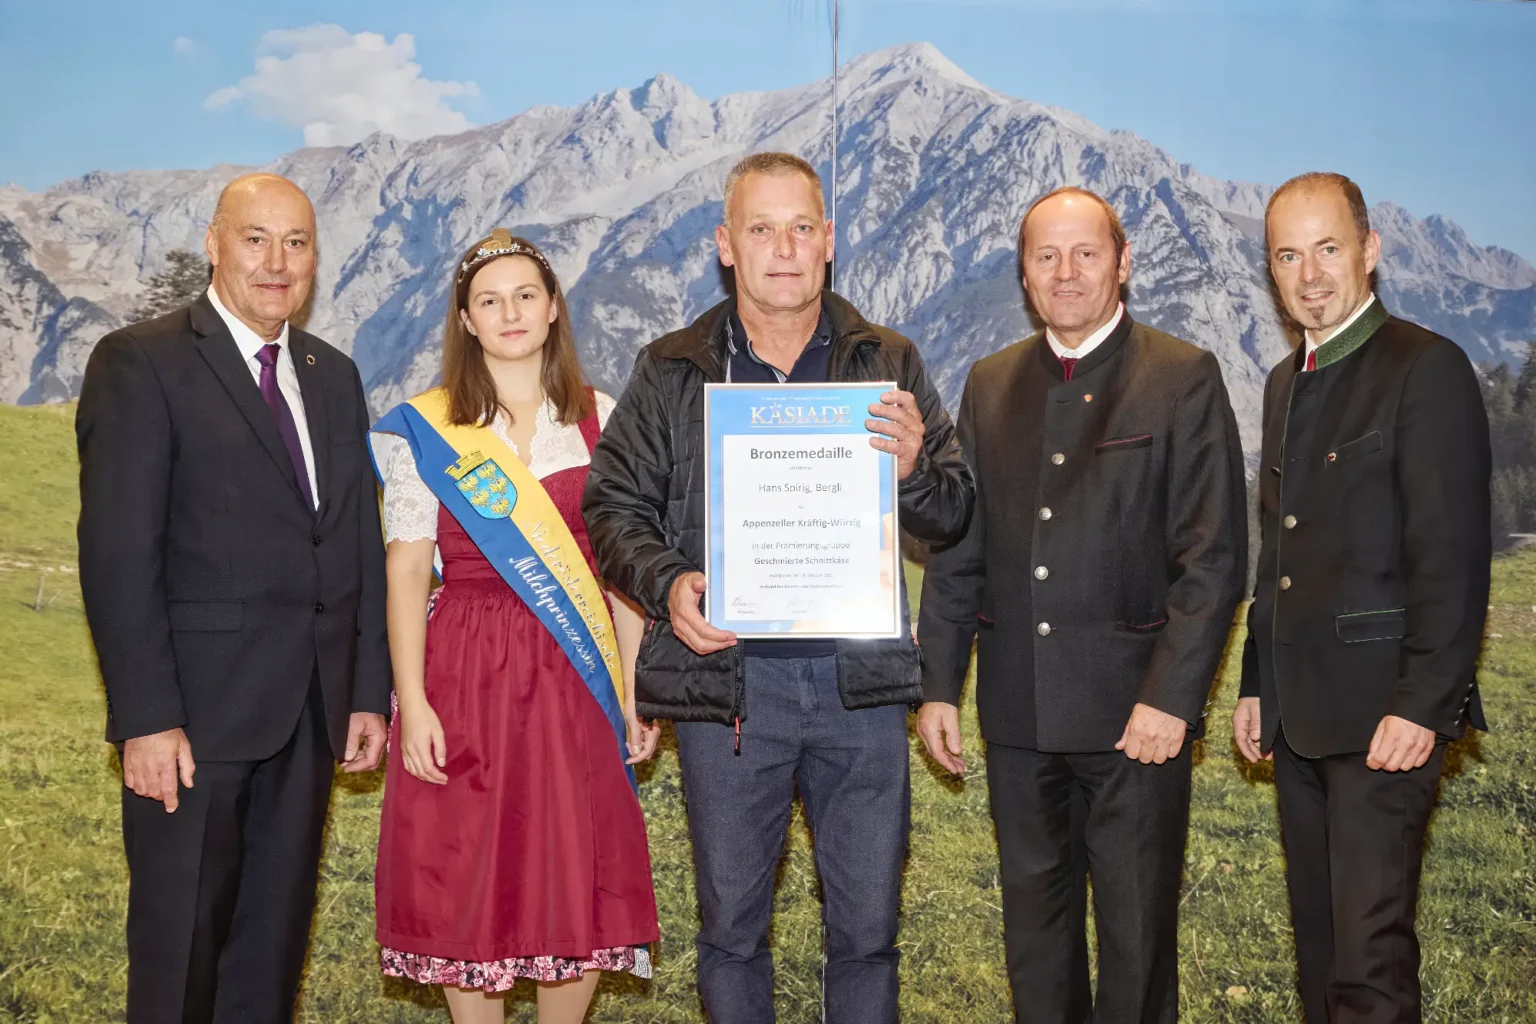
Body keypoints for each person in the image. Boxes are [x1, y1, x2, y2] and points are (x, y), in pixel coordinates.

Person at [582, 152, 974, 1024]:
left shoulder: (888, 360)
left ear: (830, 240)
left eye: (802, 227)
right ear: (727, 246)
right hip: (731, 691)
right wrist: (670, 582)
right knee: (729, 933)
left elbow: (953, 513)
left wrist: (912, 470)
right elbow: (610, 507)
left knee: (868, 933)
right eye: (761, 229)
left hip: (860, 690)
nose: (784, 249)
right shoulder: (672, 369)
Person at [916, 187, 1247, 1023]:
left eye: (1086, 253)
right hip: (1019, 713)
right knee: (1034, 938)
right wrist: (937, 685)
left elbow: (1211, 559)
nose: (1066, 273)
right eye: (1046, 256)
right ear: (1025, 275)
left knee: (1136, 947)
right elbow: (963, 550)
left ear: (1124, 262)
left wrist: (1171, 701)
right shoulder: (990, 384)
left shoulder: (1182, 376)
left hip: (1136, 719)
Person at [76, 172, 392, 1023]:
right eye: (256, 238)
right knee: (180, 956)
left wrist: (367, 693)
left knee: (269, 955)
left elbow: (355, 538)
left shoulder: (334, 375)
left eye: (297, 243)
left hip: (309, 716)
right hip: (192, 723)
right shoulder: (142, 360)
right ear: (215, 243)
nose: (277, 262)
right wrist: (145, 715)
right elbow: (117, 553)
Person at [368, 230, 661, 1024]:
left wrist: (634, 692)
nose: (510, 313)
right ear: (465, 320)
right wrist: (412, 702)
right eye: (489, 300)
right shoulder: (426, 430)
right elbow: (403, 571)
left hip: (577, 671)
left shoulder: (603, 418)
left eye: (526, 295)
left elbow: (621, 573)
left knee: (576, 860)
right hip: (463, 669)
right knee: (464, 865)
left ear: (554, 306)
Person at [1235, 172, 1491, 1024]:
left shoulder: (1427, 367)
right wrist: (1252, 681)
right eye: (1288, 255)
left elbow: (1452, 563)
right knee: (1320, 950)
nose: (1310, 274)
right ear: (1271, 271)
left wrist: (1424, 705)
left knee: (1370, 962)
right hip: (1298, 717)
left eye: (1328, 249)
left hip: (1387, 719)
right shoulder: (1282, 382)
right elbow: (1281, 549)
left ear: (1370, 251)